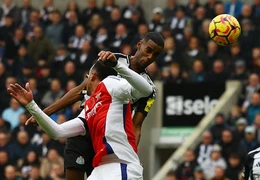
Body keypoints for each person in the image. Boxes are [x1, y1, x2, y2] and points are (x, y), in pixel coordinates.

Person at [25, 32, 164, 179]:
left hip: (108, 138)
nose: (150, 57)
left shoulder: (148, 88)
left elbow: (136, 126)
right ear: (139, 45)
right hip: (84, 124)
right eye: (149, 50)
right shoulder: (112, 59)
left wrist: (133, 155)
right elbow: (81, 89)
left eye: (155, 55)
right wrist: (44, 112)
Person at [8, 57, 153, 179]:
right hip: (100, 169)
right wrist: (31, 105)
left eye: (87, 77)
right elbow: (57, 132)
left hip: (121, 165)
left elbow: (146, 90)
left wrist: (117, 66)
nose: (85, 82)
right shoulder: (89, 107)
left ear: (92, 77)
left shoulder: (111, 84)